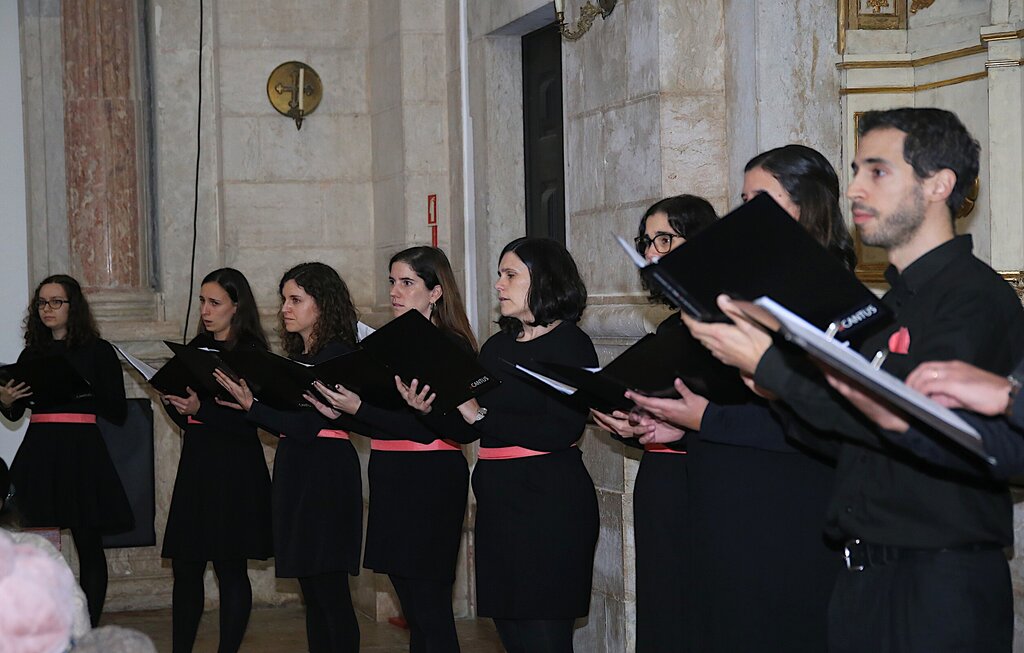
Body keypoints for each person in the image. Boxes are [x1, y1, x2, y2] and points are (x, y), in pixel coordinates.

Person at [686, 108, 1024, 652]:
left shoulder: (974, 298)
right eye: (857, 171)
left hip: (937, 581)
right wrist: (776, 389)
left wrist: (775, 369)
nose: (856, 190)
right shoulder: (889, 307)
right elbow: (855, 441)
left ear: (939, 185)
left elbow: (928, 432)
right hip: (864, 576)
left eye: (878, 171)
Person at [603, 149, 848, 652]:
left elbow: (828, 424)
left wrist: (707, 419)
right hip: (718, 503)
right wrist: (679, 424)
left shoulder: (828, 298)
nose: (746, 215)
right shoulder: (748, 297)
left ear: (809, 206)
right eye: (743, 200)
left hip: (782, 515)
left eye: (761, 200)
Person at [400, 238, 599, 653]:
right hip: (498, 507)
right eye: (499, 274)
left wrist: (481, 415)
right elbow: (467, 428)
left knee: (545, 637)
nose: (498, 285)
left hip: (549, 504)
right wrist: (428, 410)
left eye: (510, 275)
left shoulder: (571, 344)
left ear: (544, 281)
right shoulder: (496, 347)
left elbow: (561, 428)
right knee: (511, 635)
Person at [307, 246, 473, 653]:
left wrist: (359, 408)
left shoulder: (449, 345)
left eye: (407, 283)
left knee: (430, 607)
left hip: (430, 477)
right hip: (390, 472)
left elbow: (425, 428)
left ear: (435, 292)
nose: (395, 291)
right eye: (392, 282)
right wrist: (342, 411)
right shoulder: (386, 344)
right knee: (413, 608)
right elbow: (381, 420)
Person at [215, 262, 364, 653]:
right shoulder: (302, 356)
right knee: (311, 592)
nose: (285, 308)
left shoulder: (337, 355)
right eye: (284, 299)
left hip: (326, 473)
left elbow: (309, 425)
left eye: (296, 300)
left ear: (323, 304)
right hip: (297, 469)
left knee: (330, 591)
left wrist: (252, 406)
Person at [0, 274, 133, 627]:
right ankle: (42, 624)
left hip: (80, 449)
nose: (48, 309)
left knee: (88, 542)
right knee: (34, 539)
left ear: (74, 307)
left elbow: (117, 410)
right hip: (42, 447)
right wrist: (7, 400)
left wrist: (83, 389)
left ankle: (87, 626)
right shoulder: (33, 353)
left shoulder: (98, 351)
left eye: (56, 302)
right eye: (42, 303)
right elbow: (15, 412)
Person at [160, 268, 273, 653]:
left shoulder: (253, 354)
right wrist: (175, 403)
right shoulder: (196, 348)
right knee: (186, 565)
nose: (206, 311)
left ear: (236, 307)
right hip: (198, 464)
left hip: (235, 467)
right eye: (202, 302)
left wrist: (201, 410)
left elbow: (253, 421)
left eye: (215, 303)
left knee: (230, 566)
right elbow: (189, 415)